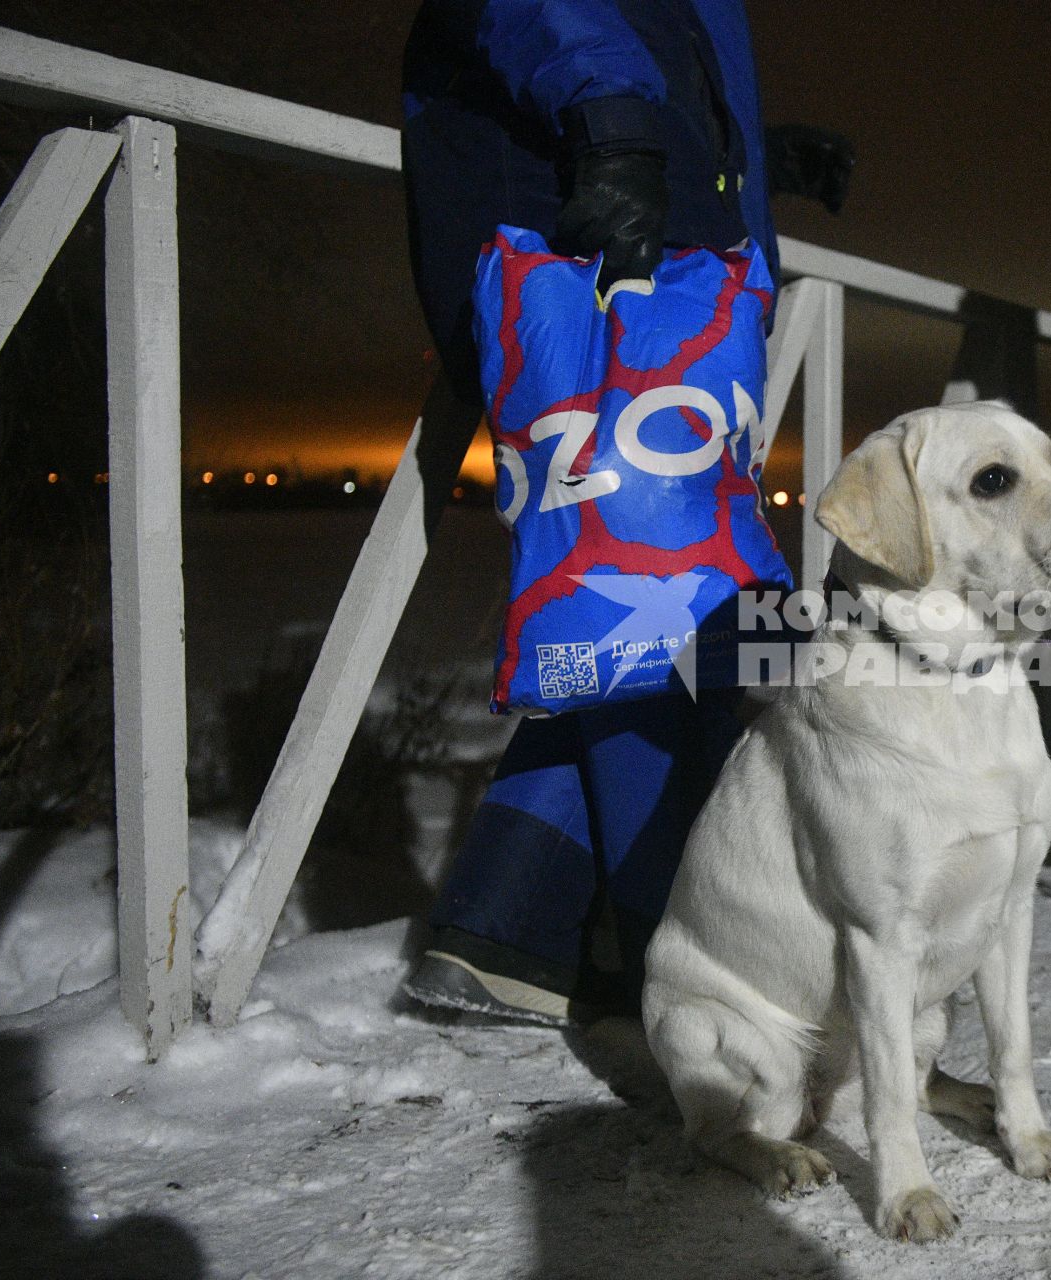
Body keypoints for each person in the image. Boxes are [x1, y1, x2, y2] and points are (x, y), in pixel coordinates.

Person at [396, 0, 777, 1025]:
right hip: (586, 225)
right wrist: (615, 118)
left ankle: (511, 928)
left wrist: (745, 153)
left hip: (679, 235)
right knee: (652, 622)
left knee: (681, 615)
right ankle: (695, 983)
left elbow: (667, 33)